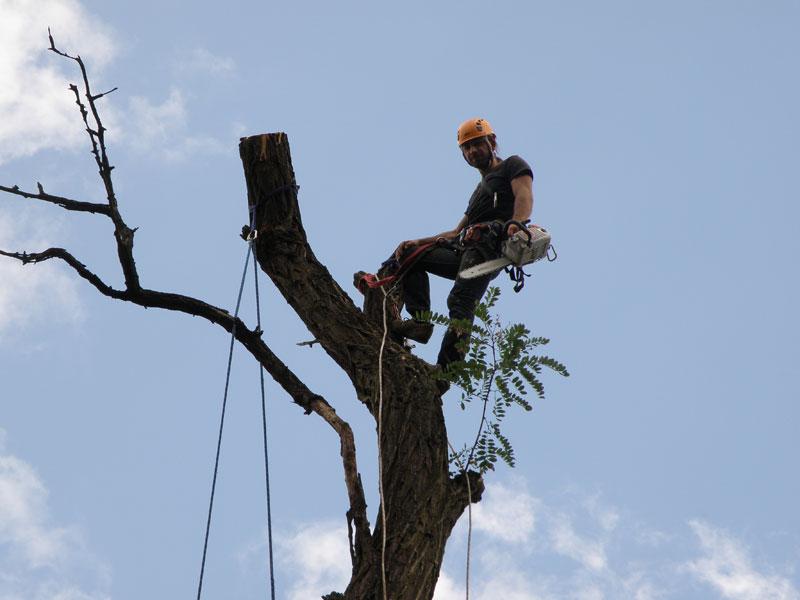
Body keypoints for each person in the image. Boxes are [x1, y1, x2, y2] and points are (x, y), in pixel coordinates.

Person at [393, 117, 534, 368]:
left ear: (492, 142)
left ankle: (447, 371)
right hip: (464, 248)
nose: (472, 152)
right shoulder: (480, 192)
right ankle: (420, 322)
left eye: (477, 144)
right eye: (466, 148)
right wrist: (417, 242)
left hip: (489, 250)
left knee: (460, 301)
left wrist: (517, 223)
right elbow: (455, 232)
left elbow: (524, 195)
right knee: (410, 258)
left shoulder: (512, 165)